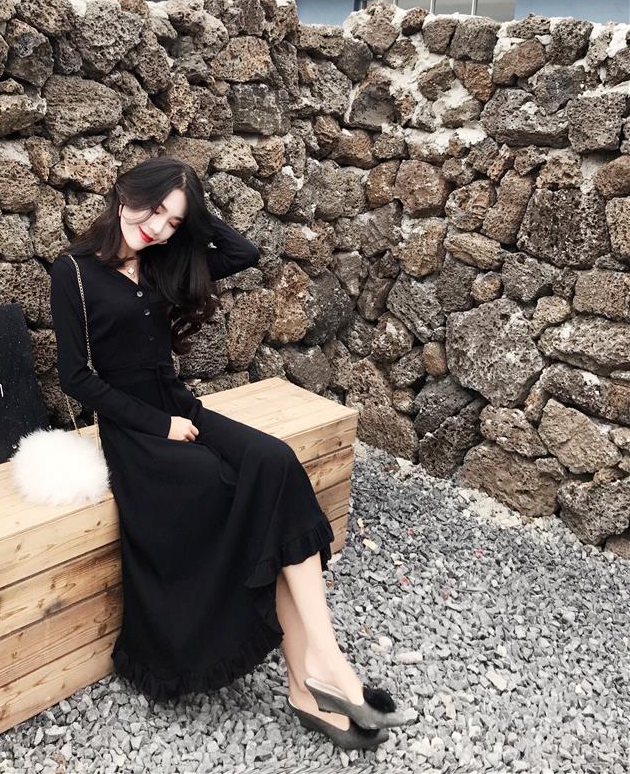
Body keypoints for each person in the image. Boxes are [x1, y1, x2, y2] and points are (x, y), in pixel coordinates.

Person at [49, 155, 411, 749]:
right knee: (223, 487)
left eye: (172, 221)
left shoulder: (163, 259)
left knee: (275, 462)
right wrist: (159, 426)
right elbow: (76, 379)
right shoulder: (74, 272)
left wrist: (191, 208)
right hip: (135, 431)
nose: (158, 228)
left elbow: (243, 252)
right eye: (153, 210)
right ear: (123, 193)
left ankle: (321, 664)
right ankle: (316, 681)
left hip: (180, 406)